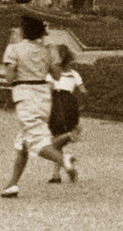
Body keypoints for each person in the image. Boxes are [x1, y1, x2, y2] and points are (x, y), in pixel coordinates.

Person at [0, 15, 72, 197]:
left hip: (25, 96)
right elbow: (56, 76)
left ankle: (64, 160)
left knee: (36, 142)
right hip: (43, 97)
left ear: (24, 30)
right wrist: (50, 56)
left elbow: (9, 77)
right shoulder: (48, 50)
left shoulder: (14, 48)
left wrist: (13, 57)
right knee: (23, 142)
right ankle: (12, 184)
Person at [45, 42, 90, 183]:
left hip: (56, 103)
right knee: (61, 139)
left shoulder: (53, 73)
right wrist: (82, 105)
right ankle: (56, 173)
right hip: (70, 103)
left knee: (55, 139)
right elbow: (84, 92)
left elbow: (49, 90)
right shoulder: (74, 74)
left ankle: (57, 172)